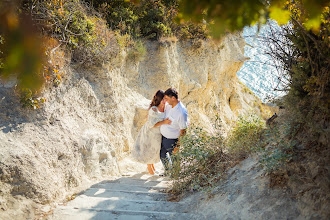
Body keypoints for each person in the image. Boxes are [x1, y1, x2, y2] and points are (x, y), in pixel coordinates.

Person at [132, 90, 172, 175]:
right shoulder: (154, 109)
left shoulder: (165, 107)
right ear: (160, 99)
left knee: (155, 150)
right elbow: (151, 124)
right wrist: (163, 122)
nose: (165, 101)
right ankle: (150, 169)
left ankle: (152, 167)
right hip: (150, 133)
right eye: (164, 99)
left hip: (157, 134)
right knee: (149, 150)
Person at [160, 88, 188, 173]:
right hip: (163, 137)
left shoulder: (181, 112)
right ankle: (168, 171)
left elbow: (184, 130)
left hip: (172, 139)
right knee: (161, 155)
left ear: (173, 98)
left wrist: (177, 146)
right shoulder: (169, 105)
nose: (166, 101)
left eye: (167, 99)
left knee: (174, 158)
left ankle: (176, 175)